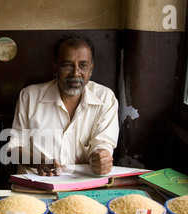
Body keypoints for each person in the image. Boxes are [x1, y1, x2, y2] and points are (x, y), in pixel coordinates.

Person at [8, 34, 119, 176]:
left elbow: (103, 145)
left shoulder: (105, 98)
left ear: (91, 69)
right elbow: (14, 148)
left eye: (83, 66)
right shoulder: (30, 96)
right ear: (55, 68)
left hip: (83, 184)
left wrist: (100, 159)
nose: (75, 73)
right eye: (67, 66)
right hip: (38, 183)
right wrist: (40, 161)